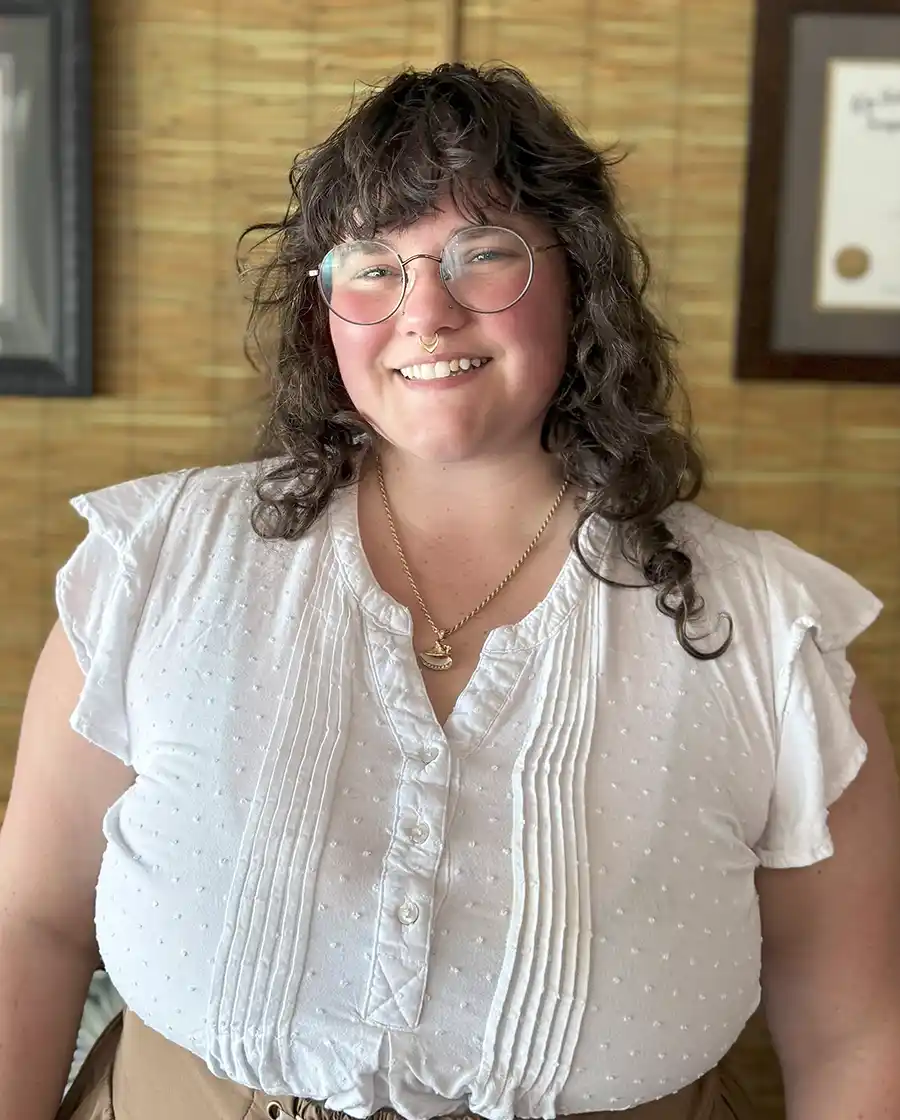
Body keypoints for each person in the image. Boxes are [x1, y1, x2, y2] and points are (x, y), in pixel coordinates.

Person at [0, 62, 898, 1120]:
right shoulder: (155, 564)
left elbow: (856, 1034)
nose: (425, 312)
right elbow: (31, 925)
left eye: (485, 254)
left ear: (581, 281)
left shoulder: (771, 633)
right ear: (323, 311)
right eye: (371, 266)